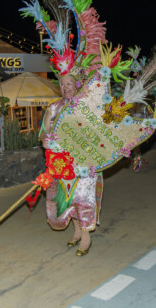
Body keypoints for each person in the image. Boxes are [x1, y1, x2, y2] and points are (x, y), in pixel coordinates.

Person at [40, 75, 102, 256]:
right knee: (67, 197)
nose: (65, 87)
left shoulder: (86, 106)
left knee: (82, 198)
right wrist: (47, 141)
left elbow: (96, 133)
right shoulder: (53, 108)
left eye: (68, 83)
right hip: (60, 163)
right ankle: (76, 231)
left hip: (83, 163)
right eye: (61, 83)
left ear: (77, 85)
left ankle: (85, 236)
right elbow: (45, 132)